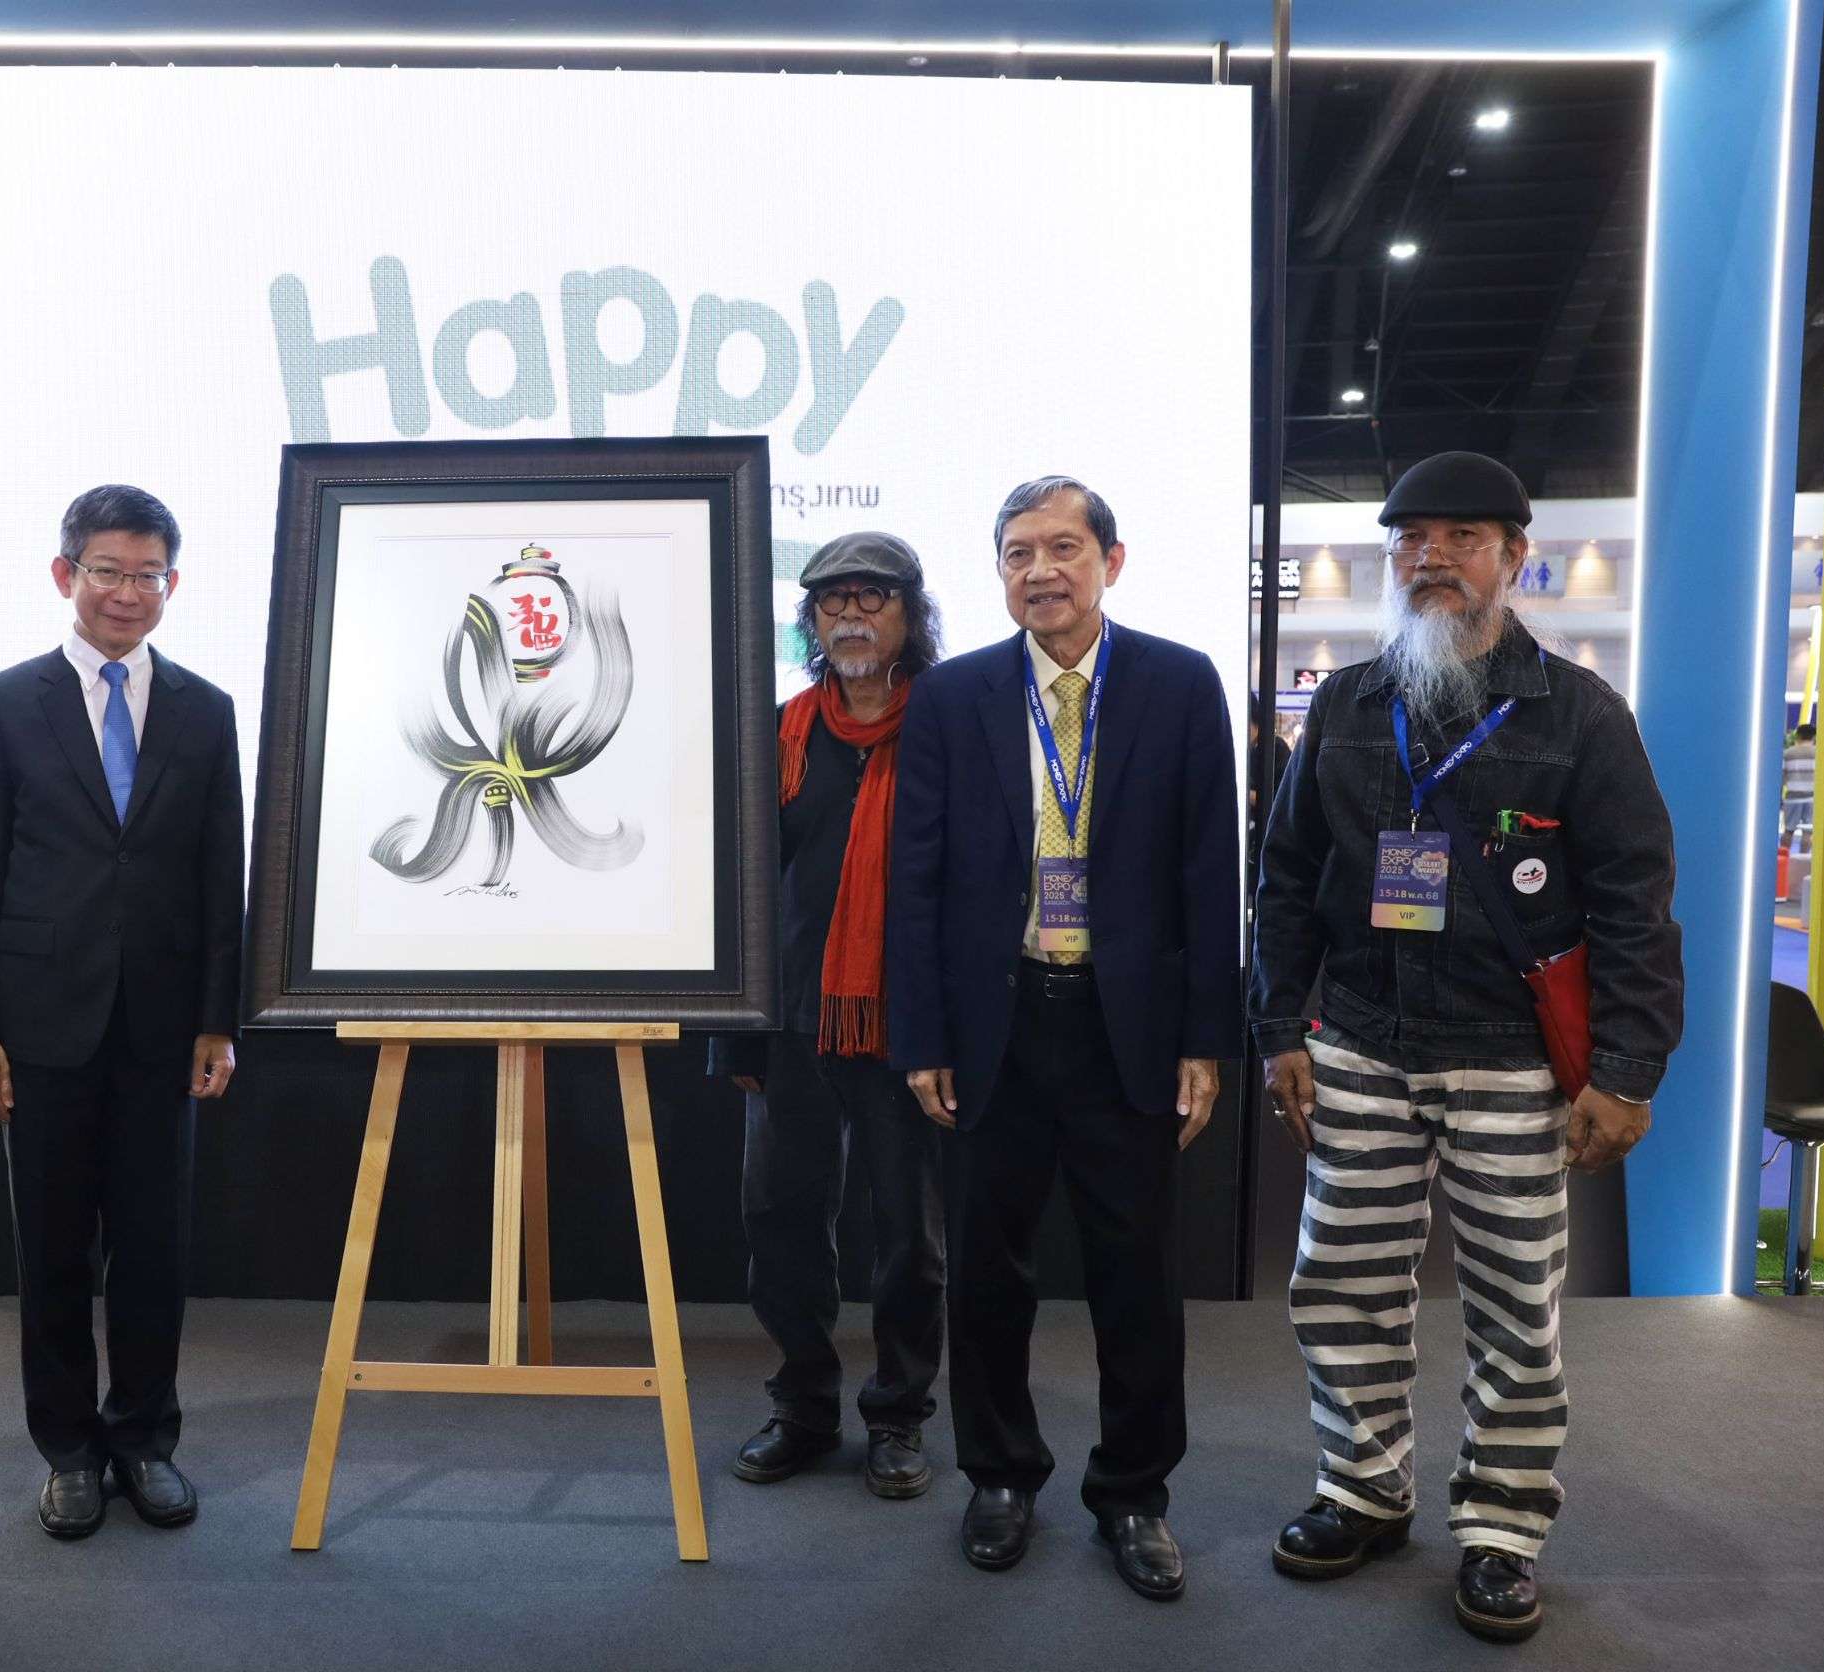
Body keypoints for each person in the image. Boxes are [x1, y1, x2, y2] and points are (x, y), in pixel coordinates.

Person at [1251, 450, 1682, 1645]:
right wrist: (1279, 1027)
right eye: (1411, 539)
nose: (1431, 556)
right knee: (1342, 1284)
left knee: (1515, 1305)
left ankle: (1501, 1524)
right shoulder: (1344, 707)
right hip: (1362, 1045)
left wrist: (1627, 1070)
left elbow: (1636, 903)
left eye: (1462, 538)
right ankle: (1363, 1487)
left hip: (1510, 1059)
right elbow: (1285, 881)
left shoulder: (1581, 715)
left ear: (1514, 557)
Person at [887, 475, 1239, 1599]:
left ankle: (1134, 1493)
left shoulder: (1181, 684)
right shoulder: (953, 697)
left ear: (1110, 562)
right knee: (987, 1269)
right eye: (1017, 553)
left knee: (1137, 1273)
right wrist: (921, 1034)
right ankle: (999, 1476)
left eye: (1063, 548)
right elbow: (916, 878)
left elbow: (1208, 871)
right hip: (995, 1023)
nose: (1039, 571)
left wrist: (1206, 1037)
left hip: (1124, 1028)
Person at [0, 484, 243, 1540]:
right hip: (41, 1025)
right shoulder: (4, 701)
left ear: (173, 582)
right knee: (55, 1252)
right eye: (108, 571)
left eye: (148, 574)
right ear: (65, 574)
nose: (128, 592)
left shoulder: (207, 709)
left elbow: (222, 874)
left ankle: (146, 1440)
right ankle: (70, 1451)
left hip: (163, 1029)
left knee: (156, 1252)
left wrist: (219, 1020)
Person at [715, 532, 949, 1499]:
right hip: (791, 1024)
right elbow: (739, 891)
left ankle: (898, 1416)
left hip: (910, 1028)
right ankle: (804, 1405)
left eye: (871, 597)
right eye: (831, 601)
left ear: (910, 614)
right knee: (780, 1221)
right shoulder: (779, 733)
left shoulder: (949, 727)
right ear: (810, 621)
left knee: (909, 1238)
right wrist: (734, 1030)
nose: (850, 615)